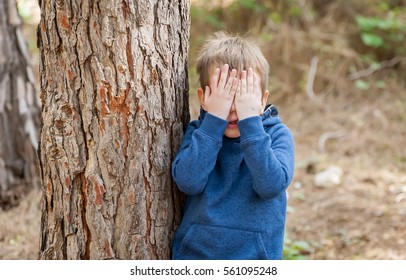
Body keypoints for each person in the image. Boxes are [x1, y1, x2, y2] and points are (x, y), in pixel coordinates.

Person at [171, 31, 295, 260]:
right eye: (224, 94)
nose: (234, 107)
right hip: (196, 256)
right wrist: (213, 120)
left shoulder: (276, 134)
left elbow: (271, 185)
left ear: (262, 99)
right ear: (203, 97)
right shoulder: (200, 133)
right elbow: (188, 182)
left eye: (244, 96)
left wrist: (251, 124)